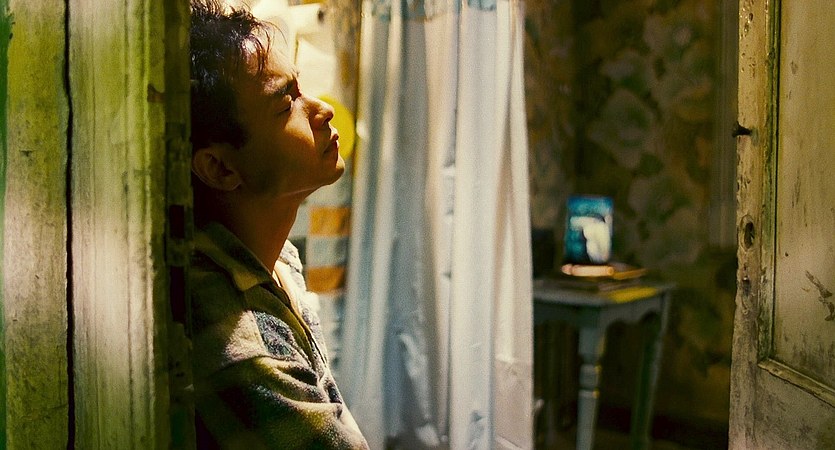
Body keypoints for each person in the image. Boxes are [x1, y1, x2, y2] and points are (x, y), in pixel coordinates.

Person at [188, 1, 368, 448]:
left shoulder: (275, 259)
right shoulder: (242, 349)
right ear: (220, 168)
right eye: (286, 102)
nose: (322, 109)